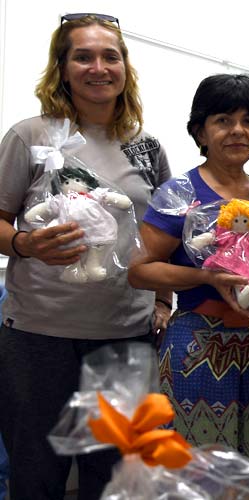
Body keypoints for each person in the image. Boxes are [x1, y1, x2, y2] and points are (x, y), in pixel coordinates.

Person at [0, 14, 171, 500]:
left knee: (115, 481)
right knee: (36, 478)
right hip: (38, 337)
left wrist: (163, 302)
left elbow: (164, 233)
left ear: (124, 67)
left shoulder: (146, 147)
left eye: (110, 56)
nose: (99, 68)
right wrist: (23, 243)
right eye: (83, 57)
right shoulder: (29, 136)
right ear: (63, 68)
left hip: (125, 336)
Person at [128, 73, 249, 463]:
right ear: (201, 132)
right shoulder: (180, 192)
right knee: (195, 472)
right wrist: (206, 277)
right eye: (223, 120)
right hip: (198, 348)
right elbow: (139, 270)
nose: (238, 131)